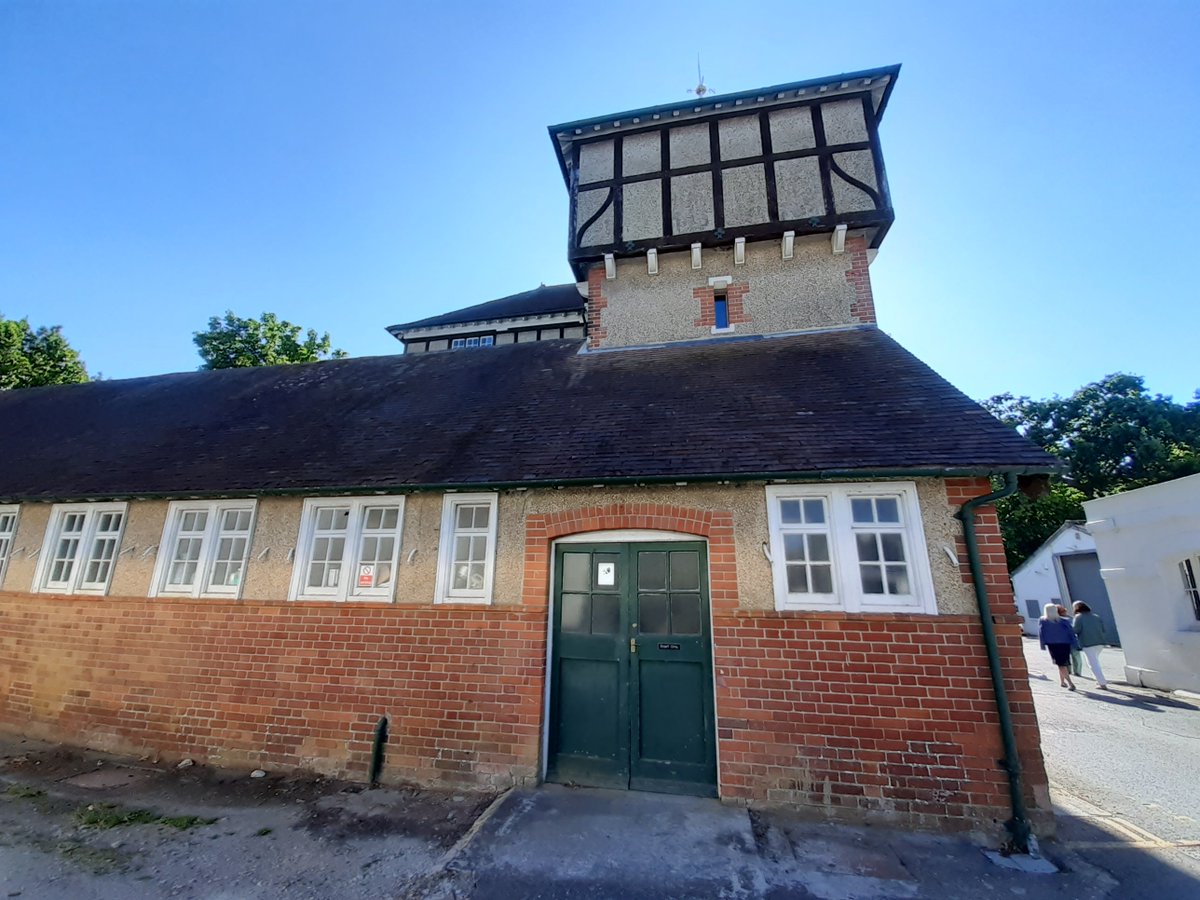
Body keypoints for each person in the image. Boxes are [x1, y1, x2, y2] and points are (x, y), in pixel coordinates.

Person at [1039, 603, 1079, 690]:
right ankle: (1062, 682)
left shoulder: (1043, 621)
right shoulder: (1064, 621)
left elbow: (1041, 633)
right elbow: (1071, 633)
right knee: (1063, 663)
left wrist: (1042, 644)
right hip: (1065, 644)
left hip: (1053, 645)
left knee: (1061, 664)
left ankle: (1070, 683)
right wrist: (1075, 644)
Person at [1072, 601, 1109, 689]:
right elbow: (1103, 629)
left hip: (1087, 642)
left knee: (1093, 663)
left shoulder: (1078, 617)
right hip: (1100, 642)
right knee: (1095, 661)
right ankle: (1098, 680)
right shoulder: (1096, 616)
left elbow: (1076, 630)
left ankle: (1102, 683)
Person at [1059, 604, 1083, 676]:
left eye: (1064, 611)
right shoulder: (1060, 620)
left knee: (1074, 656)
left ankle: (1075, 671)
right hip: (1067, 641)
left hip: (1070, 641)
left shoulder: (1071, 619)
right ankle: (1073, 671)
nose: (1065, 612)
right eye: (1063, 611)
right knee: (1073, 657)